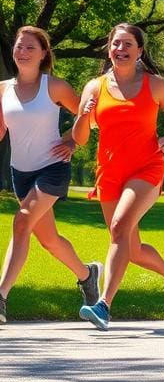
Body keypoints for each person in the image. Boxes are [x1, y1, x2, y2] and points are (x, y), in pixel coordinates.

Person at [72, 23, 164, 331]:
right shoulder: (94, 87)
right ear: (108, 49)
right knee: (130, 248)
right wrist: (84, 115)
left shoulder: (155, 85)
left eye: (127, 45)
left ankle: (103, 305)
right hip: (110, 172)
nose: (120, 49)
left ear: (139, 50)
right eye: (116, 44)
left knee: (119, 226)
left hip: (146, 168)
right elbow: (81, 138)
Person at [0, 26, 100, 325]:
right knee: (49, 240)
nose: (23, 52)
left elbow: (89, 120)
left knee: (21, 223)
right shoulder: (3, 89)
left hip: (52, 168)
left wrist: (71, 141)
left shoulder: (55, 86)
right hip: (21, 172)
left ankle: (1, 296)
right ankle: (87, 275)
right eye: (19, 46)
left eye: (30, 47)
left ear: (43, 53)